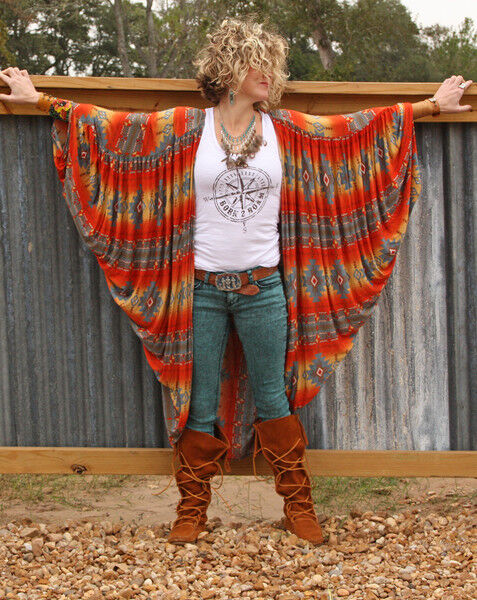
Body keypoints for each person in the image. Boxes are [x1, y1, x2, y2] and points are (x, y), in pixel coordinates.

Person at [0, 15, 473, 547]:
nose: (268, 74)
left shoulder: (285, 129)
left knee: (274, 397)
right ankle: (192, 508)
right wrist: (38, 101)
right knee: (199, 401)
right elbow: (108, 123)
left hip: (263, 289)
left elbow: (354, 129)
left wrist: (431, 107)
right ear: (229, 69)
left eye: (272, 64)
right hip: (198, 291)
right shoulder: (184, 127)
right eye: (256, 63)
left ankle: (297, 504)